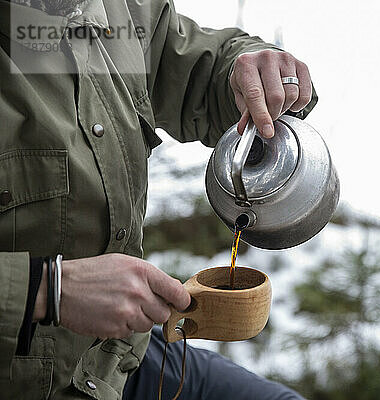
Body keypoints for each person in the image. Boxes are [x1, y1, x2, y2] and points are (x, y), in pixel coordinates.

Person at [0, 0, 316, 398]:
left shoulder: (122, 12)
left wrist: (245, 70)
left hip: (114, 363)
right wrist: (49, 290)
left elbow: (196, 64)